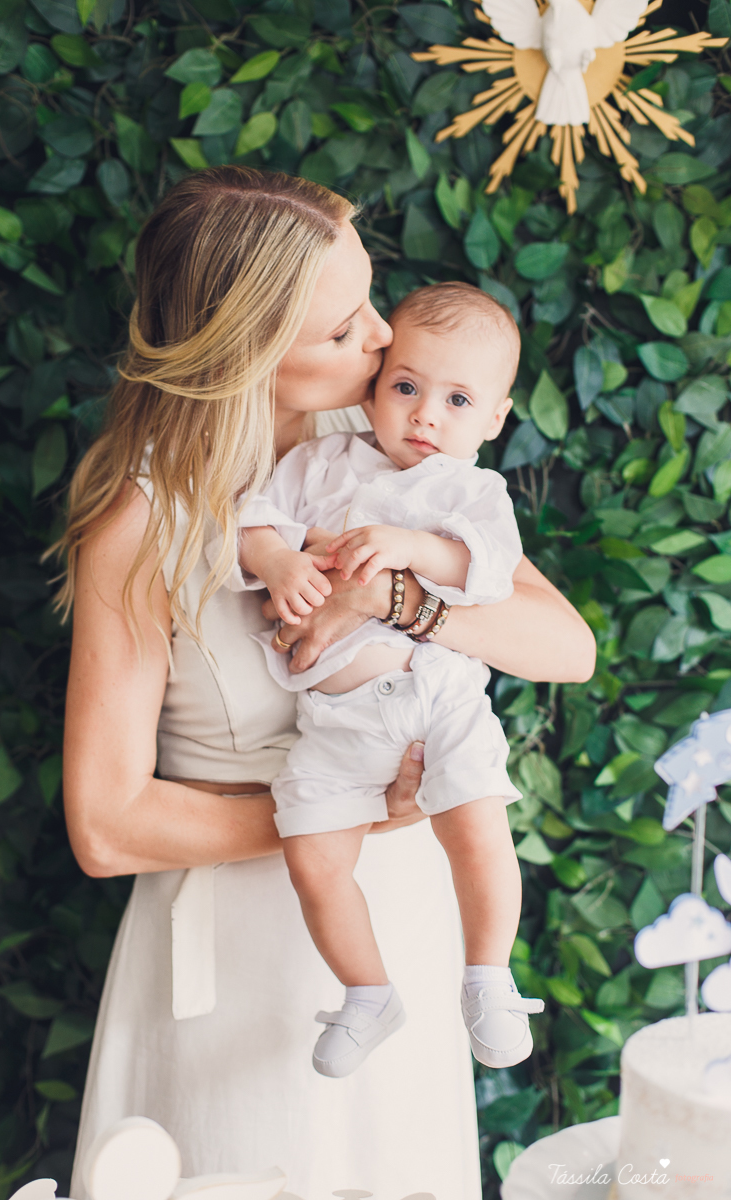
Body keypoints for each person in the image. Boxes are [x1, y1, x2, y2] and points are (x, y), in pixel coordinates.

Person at [58, 167, 596, 1200]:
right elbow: (106, 826)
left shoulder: (391, 449)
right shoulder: (141, 526)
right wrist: (360, 808)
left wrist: (401, 603)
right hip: (238, 954)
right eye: (344, 329)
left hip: (404, 916)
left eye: (369, 302)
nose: (385, 340)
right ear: (246, 350)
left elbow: (561, 644)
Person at [235, 281, 545, 1079]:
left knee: (475, 827)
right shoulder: (316, 461)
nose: (425, 416)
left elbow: (487, 570)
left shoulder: (471, 490)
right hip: (336, 721)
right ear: (376, 386)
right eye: (406, 386)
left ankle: (489, 977)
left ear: (494, 420)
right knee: (312, 856)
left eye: (457, 400)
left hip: (434, 695)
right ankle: (368, 993)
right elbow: (254, 521)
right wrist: (275, 557)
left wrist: (413, 550)